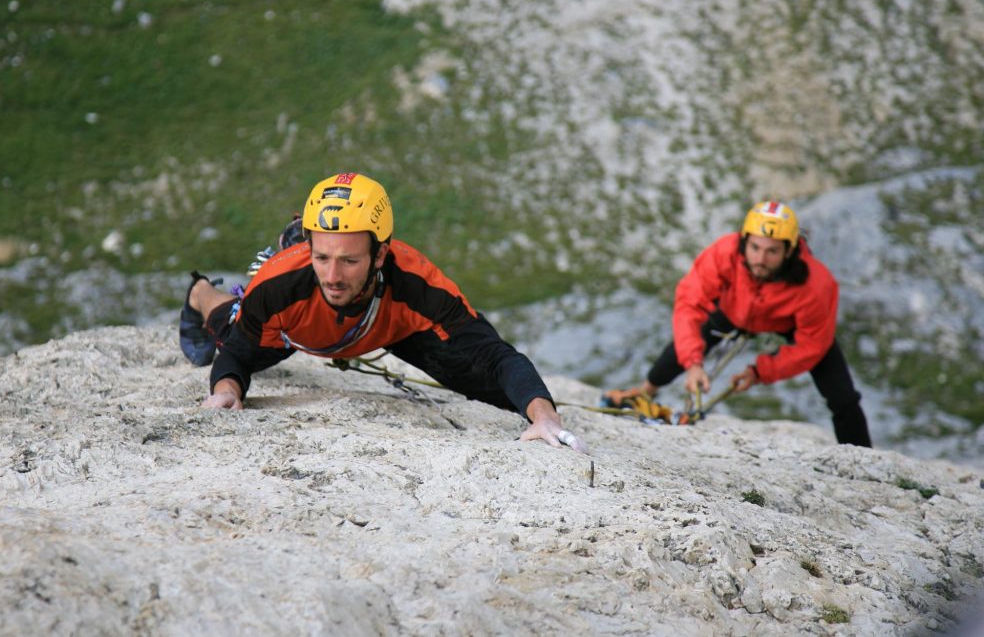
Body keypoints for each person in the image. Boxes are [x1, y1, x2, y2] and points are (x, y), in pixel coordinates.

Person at [179, 172, 587, 453]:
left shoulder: (419, 285)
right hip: (301, 325)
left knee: (494, 391)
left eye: (350, 261)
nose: (334, 276)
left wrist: (544, 417)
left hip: (393, 324)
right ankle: (201, 293)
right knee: (225, 326)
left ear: (381, 254)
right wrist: (227, 392)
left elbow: (495, 356)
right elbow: (236, 355)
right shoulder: (279, 285)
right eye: (322, 256)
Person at [603, 200, 872, 447]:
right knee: (686, 344)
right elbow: (690, 302)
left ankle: (863, 456)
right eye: (754, 247)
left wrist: (760, 371)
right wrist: (694, 364)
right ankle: (643, 393)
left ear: (790, 251)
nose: (760, 259)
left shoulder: (815, 285)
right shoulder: (725, 253)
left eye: (772, 251)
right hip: (734, 309)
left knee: (843, 397)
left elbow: (812, 345)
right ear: (744, 241)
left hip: (785, 320)